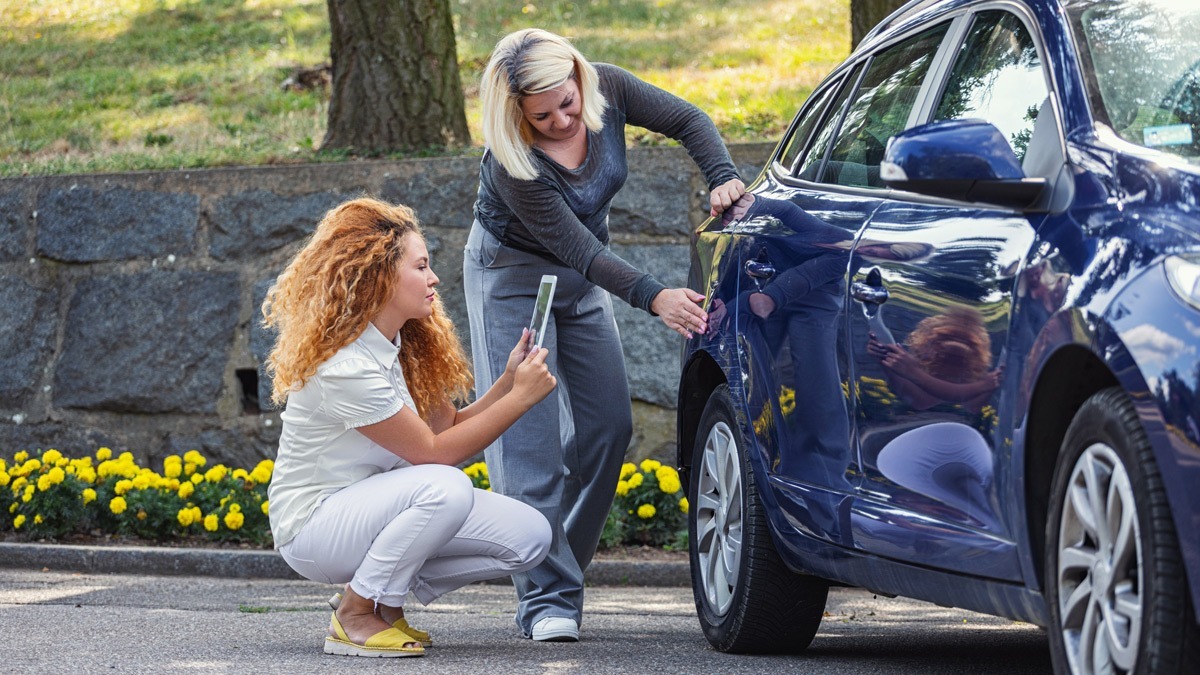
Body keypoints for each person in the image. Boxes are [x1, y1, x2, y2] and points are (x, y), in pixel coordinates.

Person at [463, 27, 746, 642]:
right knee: (527, 441)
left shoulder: (607, 85)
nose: (564, 119)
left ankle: (551, 558)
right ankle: (547, 599)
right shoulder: (512, 163)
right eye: (543, 116)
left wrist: (721, 174)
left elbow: (689, 119)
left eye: (568, 102)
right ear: (514, 115)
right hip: (512, 277)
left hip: (585, 278)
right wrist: (656, 296)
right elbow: (578, 248)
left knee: (609, 426)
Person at [261, 197, 556, 658]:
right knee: (444, 486)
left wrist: (508, 383)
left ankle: (385, 600)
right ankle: (356, 611)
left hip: (378, 511)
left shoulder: (404, 346)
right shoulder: (345, 365)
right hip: (314, 528)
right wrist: (521, 400)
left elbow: (451, 424)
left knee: (530, 536)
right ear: (379, 276)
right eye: (421, 266)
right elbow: (434, 453)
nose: (434, 278)